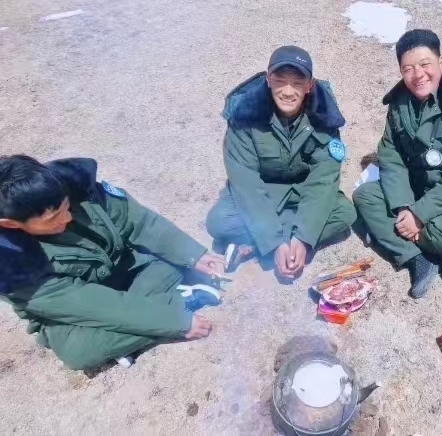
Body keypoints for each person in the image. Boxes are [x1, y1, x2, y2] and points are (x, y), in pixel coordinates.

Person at [0, 155, 227, 370]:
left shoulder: (76, 187)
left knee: (170, 261)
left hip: (129, 272)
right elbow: (88, 303)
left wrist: (194, 256)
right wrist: (175, 320)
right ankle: (183, 299)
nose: (67, 217)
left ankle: (129, 336)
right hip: (76, 313)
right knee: (77, 353)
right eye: (53, 218)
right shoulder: (10, 267)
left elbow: (140, 222)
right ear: (10, 224)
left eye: (66, 207)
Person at [353, 29, 442, 298]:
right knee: (364, 196)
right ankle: (418, 259)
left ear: (441, 62)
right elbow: (391, 156)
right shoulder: (400, 103)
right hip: (420, 185)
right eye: (407, 69)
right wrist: (403, 207)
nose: (417, 74)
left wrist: (419, 215)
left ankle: (431, 237)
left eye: (424, 64)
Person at [205, 45, 356, 280]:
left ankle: (257, 244)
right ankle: (276, 243)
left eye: (297, 83)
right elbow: (247, 184)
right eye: (280, 81)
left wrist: (303, 239)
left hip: (303, 191)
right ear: (268, 79)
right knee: (218, 221)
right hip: (263, 191)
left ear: (310, 85)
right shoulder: (245, 115)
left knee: (345, 213)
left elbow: (323, 181)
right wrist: (275, 243)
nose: (287, 91)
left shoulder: (324, 116)